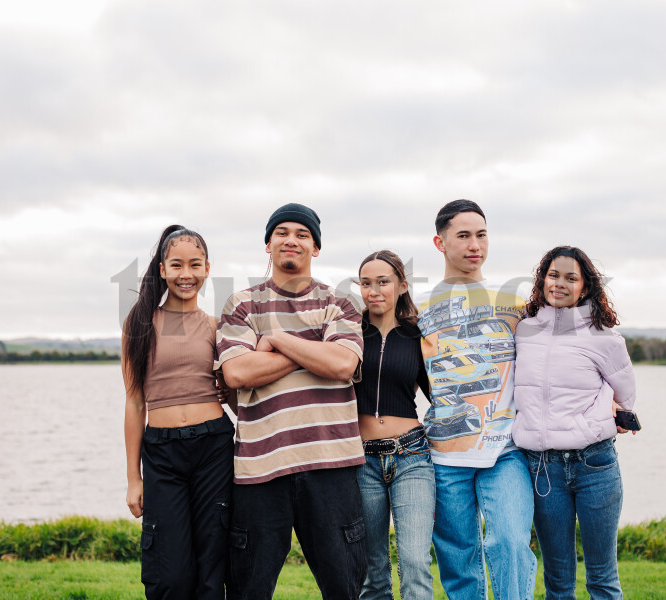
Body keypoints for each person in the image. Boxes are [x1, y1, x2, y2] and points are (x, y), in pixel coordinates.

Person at [217, 203, 367, 599]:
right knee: (249, 588)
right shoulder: (241, 304)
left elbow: (342, 364)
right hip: (261, 466)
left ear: (315, 248)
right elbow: (237, 373)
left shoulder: (341, 303)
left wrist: (277, 339)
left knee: (344, 586)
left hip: (331, 463)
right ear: (268, 244)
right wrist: (314, 347)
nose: (291, 240)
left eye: (302, 234)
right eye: (281, 232)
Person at [415, 200, 536, 600]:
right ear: (440, 242)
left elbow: (552, 362)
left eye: (481, 235)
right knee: (459, 560)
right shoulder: (417, 309)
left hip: (507, 450)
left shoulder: (515, 303)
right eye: (464, 235)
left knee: (511, 543)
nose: (475, 245)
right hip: (444, 454)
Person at [513, 246, 637, 600]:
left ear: (585, 287)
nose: (560, 284)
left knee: (602, 579)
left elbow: (626, 395)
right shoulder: (523, 330)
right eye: (554, 275)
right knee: (558, 582)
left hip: (594, 464)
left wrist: (604, 413)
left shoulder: (604, 337)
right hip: (543, 469)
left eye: (571, 278)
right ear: (542, 279)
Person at [122, 225, 236, 600]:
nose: (186, 274)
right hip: (162, 454)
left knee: (212, 564)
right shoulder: (139, 324)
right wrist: (133, 478)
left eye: (194, 265)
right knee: (169, 574)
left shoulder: (217, 327)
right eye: (176, 265)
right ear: (162, 269)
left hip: (213, 448)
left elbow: (235, 392)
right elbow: (134, 402)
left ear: (207, 269)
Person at [354, 250, 434, 600]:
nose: (373, 291)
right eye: (365, 283)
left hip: (411, 456)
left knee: (415, 562)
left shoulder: (419, 336)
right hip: (361, 459)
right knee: (372, 571)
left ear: (402, 286)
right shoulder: (349, 333)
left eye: (382, 282)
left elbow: (443, 395)